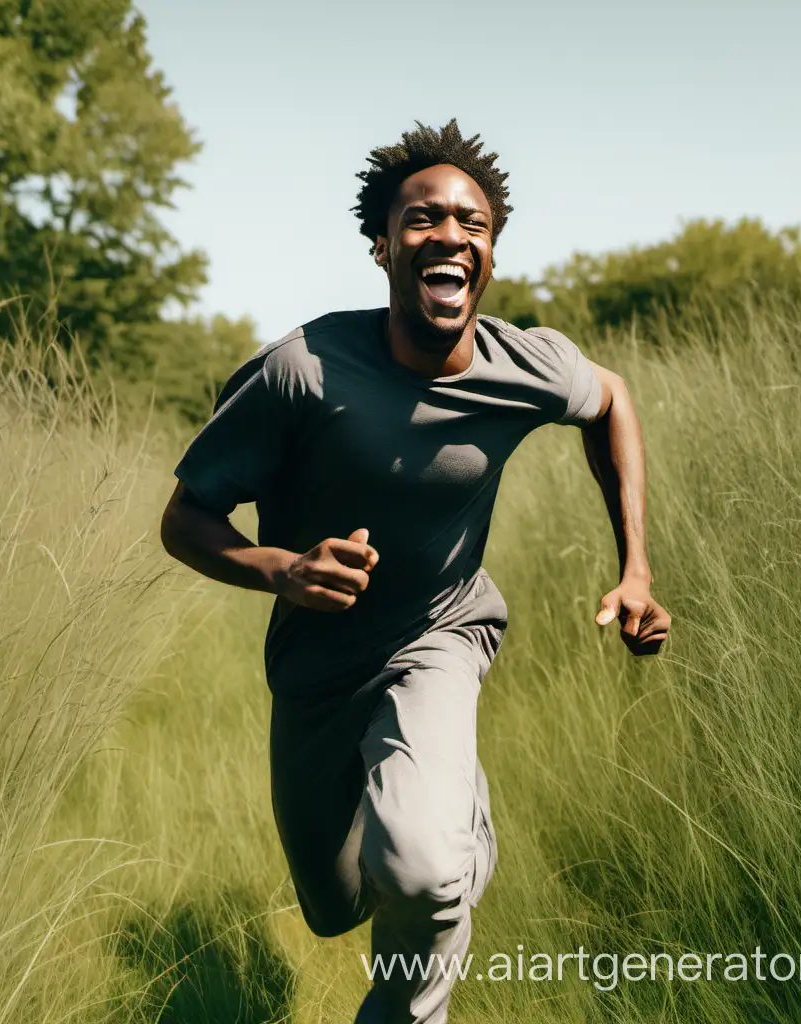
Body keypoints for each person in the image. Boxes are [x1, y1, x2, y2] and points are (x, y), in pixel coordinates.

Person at [160, 118, 671, 1023]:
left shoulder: (527, 364)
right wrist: (281, 569)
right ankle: (442, 825)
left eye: (473, 225)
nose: (452, 237)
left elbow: (613, 398)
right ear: (384, 247)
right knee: (336, 905)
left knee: (425, 874)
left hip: (441, 631)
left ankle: (433, 893)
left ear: (490, 257)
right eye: (424, 219)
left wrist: (635, 566)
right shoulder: (300, 373)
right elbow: (184, 518)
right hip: (316, 665)